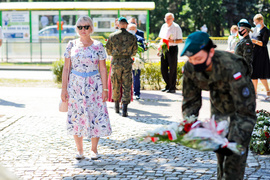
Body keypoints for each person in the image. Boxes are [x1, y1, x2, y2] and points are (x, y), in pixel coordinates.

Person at [181, 31, 256, 180]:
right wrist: (191, 124)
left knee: (233, 164)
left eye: (199, 58)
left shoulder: (232, 67)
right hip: (219, 109)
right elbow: (190, 102)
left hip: (239, 111)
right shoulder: (190, 67)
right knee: (221, 158)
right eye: (191, 59)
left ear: (211, 52)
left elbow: (246, 112)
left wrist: (235, 142)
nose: (195, 63)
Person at [61, 16, 112, 160]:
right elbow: (66, 68)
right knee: (77, 115)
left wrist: (105, 89)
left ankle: (94, 150)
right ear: (76, 29)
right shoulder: (71, 45)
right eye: (80, 27)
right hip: (75, 85)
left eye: (86, 26)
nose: (83, 30)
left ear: (91, 28)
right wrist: (63, 88)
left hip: (94, 85)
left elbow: (103, 69)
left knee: (95, 115)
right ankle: (79, 150)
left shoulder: (98, 45)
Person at [106, 17, 138, 117]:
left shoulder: (112, 36)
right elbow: (134, 52)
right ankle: (124, 109)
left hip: (116, 62)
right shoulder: (132, 37)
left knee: (115, 83)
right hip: (127, 62)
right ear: (127, 25)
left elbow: (108, 51)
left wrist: (116, 54)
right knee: (127, 84)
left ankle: (116, 107)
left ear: (118, 24)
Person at [158, 13, 183, 93]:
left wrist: (173, 41)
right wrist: (159, 49)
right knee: (163, 68)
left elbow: (181, 40)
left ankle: (172, 87)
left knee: (172, 68)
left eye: (169, 18)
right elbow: (161, 39)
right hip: (164, 47)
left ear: (173, 19)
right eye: (166, 18)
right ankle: (168, 84)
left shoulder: (176, 27)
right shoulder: (163, 26)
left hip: (172, 48)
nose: (167, 20)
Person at [250, 14, 270, 100]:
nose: (255, 24)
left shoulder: (266, 30)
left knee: (262, 75)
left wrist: (255, 41)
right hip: (254, 54)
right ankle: (255, 93)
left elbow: (264, 44)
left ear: (261, 21)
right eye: (254, 22)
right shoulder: (255, 29)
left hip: (262, 54)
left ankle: (268, 92)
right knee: (254, 75)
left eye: (257, 22)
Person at [127, 23, 145, 100]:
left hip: (136, 60)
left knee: (136, 77)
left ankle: (137, 93)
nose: (131, 31)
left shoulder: (140, 39)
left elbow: (143, 49)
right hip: (126, 60)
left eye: (133, 29)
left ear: (136, 30)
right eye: (130, 29)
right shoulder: (124, 38)